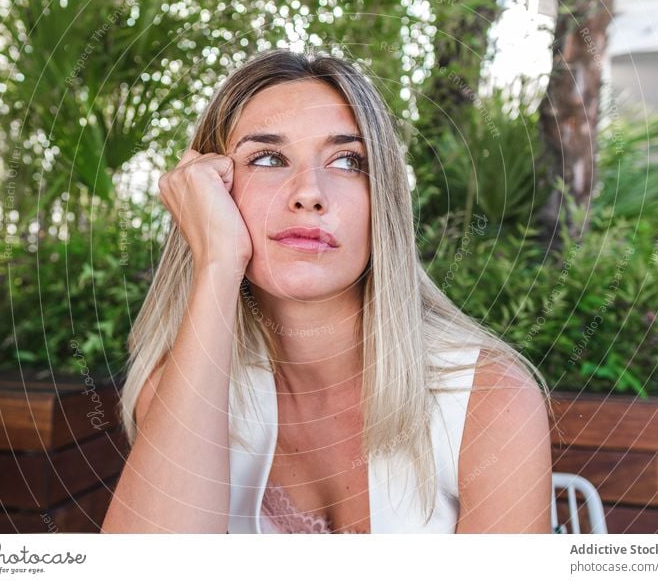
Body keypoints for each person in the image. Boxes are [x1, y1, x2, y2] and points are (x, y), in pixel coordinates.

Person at [101, 48, 554, 534]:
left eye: (346, 161)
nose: (309, 192)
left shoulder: (490, 403)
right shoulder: (186, 387)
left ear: (382, 200)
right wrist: (216, 262)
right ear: (214, 191)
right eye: (269, 158)